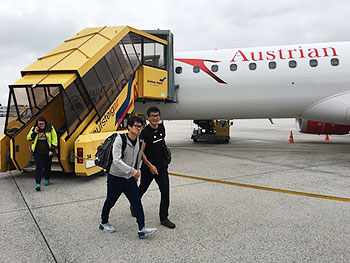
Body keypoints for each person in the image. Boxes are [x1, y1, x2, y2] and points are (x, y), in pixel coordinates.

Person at [99, 116, 157, 239]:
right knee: (110, 201)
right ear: (129, 127)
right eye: (136, 126)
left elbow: (138, 157)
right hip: (116, 177)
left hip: (129, 178)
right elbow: (116, 160)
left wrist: (136, 173)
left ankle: (142, 229)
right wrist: (132, 171)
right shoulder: (120, 139)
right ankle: (103, 223)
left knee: (136, 202)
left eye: (140, 126)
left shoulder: (140, 141)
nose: (139, 129)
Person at [137, 107, 176, 229]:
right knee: (142, 189)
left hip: (161, 167)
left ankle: (163, 218)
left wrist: (165, 158)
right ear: (148, 118)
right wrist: (150, 166)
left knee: (165, 192)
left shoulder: (162, 127)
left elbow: (162, 143)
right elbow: (141, 152)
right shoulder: (145, 133)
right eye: (153, 116)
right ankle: (134, 205)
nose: (155, 118)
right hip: (148, 167)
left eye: (157, 115)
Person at [26, 116, 57, 191]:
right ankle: (38, 183)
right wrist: (34, 132)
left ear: (45, 123)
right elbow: (28, 138)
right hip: (38, 152)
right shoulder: (34, 129)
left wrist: (52, 150)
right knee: (39, 167)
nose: (41, 125)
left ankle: (47, 179)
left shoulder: (50, 128)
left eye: (42, 124)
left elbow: (54, 138)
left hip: (47, 152)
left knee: (47, 166)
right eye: (39, 124)